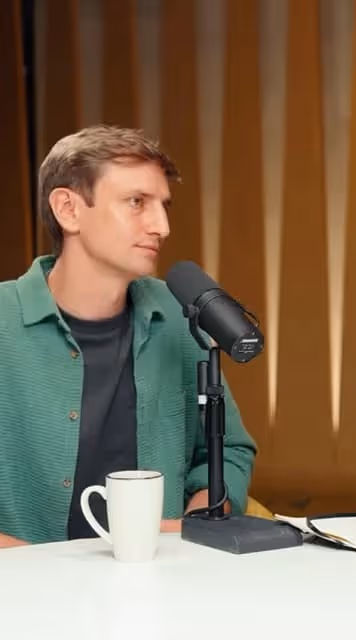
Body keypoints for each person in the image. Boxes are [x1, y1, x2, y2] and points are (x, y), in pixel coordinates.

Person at [0, 125, 256, 548]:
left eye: (163, 205)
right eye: (137, 202)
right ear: (68, 209)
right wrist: (39, 571)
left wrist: (196, 525)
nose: (162, 226)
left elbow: (229, 451)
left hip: (157, 580)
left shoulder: (178, 316)